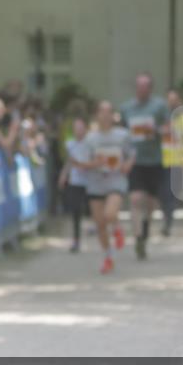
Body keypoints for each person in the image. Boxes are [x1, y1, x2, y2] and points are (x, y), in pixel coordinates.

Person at [119, 73, 170, 260]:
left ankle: (145, 231)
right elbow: (121, 132)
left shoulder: (159, 106)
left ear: (150, 88)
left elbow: (169, 128)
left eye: (145, 86)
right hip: (135, 161)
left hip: (155, 161)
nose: (141, 89)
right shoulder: (126, 108)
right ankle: (138, 237)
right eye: (138, 86)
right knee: (135, 199)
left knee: (150, 204)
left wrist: (155, 130)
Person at [84, 101, 134, 274]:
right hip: (96, 182)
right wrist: (95, 163)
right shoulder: (90, 138)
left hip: (116, 180)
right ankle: (108, 257)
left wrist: (127, 164)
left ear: (114, 115)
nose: (105, 116)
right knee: (100, 224)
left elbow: (131, 154)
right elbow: (84, 162)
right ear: (96, 115)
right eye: (102, 112)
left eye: (109, 112)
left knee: (110, 214)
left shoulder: (123, 135)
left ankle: (117, 227)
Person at [58, 117, 90, 253]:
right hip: (75, 181)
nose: (78, 131)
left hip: (90, 182)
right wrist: (63, 175)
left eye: (81, 128)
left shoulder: (91, 144)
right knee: (76, 210)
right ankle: (76, 240)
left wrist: (85, 166)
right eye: (76, 128)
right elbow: (69, 162)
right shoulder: (70, 144)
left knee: (91, 209)